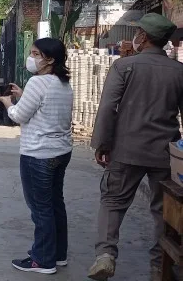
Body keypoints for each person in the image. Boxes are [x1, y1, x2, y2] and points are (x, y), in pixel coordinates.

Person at [87, 14, 183, 281]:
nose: (136, 36)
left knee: (113, 201)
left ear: (144, 36)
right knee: (162, 210)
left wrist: (102, 144)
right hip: (164, 154)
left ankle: (105, 255)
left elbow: (108, 107)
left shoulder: (124, 66)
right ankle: (159, 265)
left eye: (138, 32)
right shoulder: (179, 72)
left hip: (126, 149)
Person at [0, 37, 73, 275]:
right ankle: (57, 254)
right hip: (61, 151)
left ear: (49, 59)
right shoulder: (63, 83)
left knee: (41, 209)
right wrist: (23, 94)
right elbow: (44, 110)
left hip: (38, 154)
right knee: (55, 204)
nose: (31, 58)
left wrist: (8, 102)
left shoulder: (38, 83)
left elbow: (19, 116)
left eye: (35, 53)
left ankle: (43, 260)